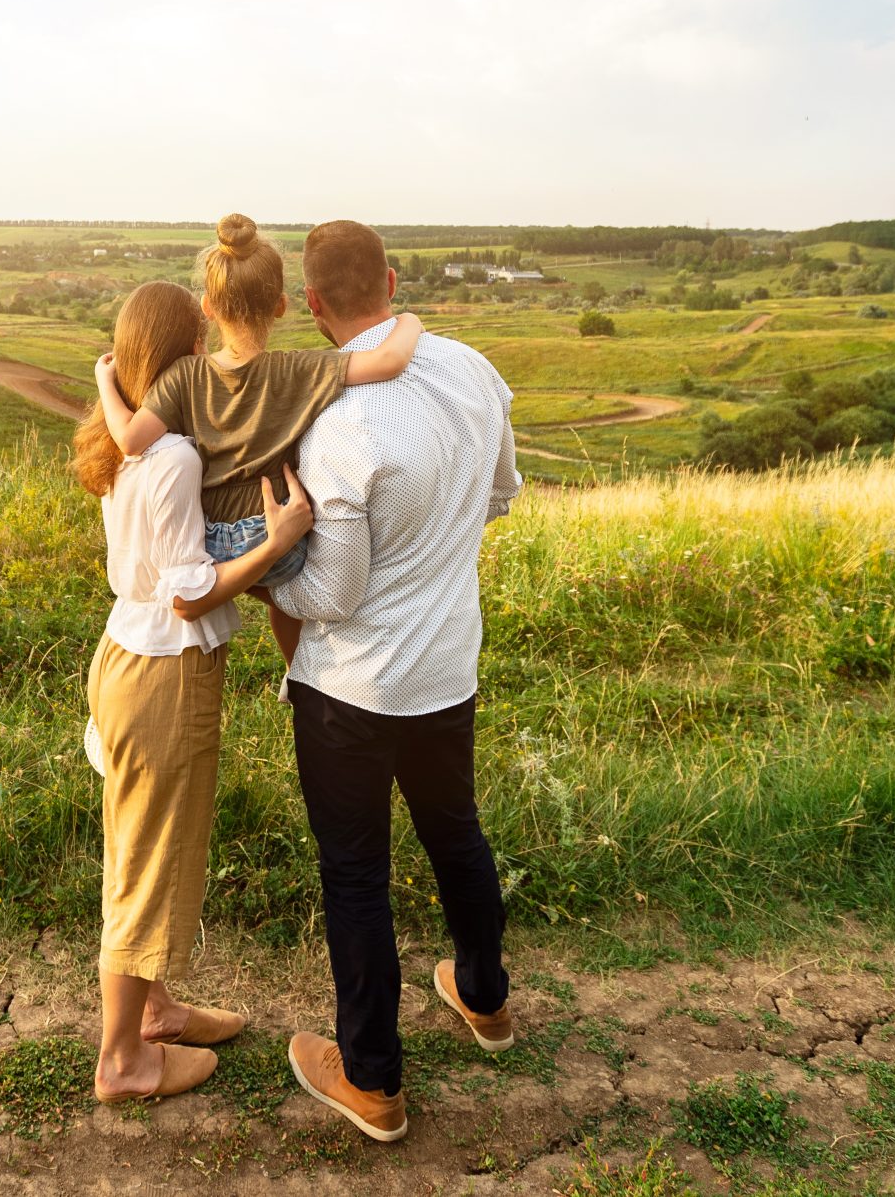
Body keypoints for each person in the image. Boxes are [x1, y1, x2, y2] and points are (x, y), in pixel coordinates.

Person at [268, 219, 524, 1143]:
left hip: (353, 687)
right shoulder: (473, 368)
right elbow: (501, 491)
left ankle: (374, 1080)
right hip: (447, 664)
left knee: (356, 876)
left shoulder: (335, 424)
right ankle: (486, 999)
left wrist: (271, 549)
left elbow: (331, 595)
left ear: (312, 305)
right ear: (391, 276)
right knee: (457, 833)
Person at [70, 279, 315, 1102]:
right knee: (147, 861)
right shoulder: (171, 455)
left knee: (137, 846)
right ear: (182, 358)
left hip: (124, 656)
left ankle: (156, 1011)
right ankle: (122, 1062)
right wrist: (276, 543)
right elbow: (188, 590)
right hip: (164, 670)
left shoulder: (120, 445)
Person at [92, 213, 422, 671]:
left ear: (208, 307)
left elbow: (129, 440)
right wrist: (409, 320)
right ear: (283, 305)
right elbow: (389, 360)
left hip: (208, 547)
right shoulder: (296, 369)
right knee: (287, 595)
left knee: (261, 585)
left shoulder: (184, 375)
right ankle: (298, 670)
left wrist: (104, 381)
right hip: (277, 545)